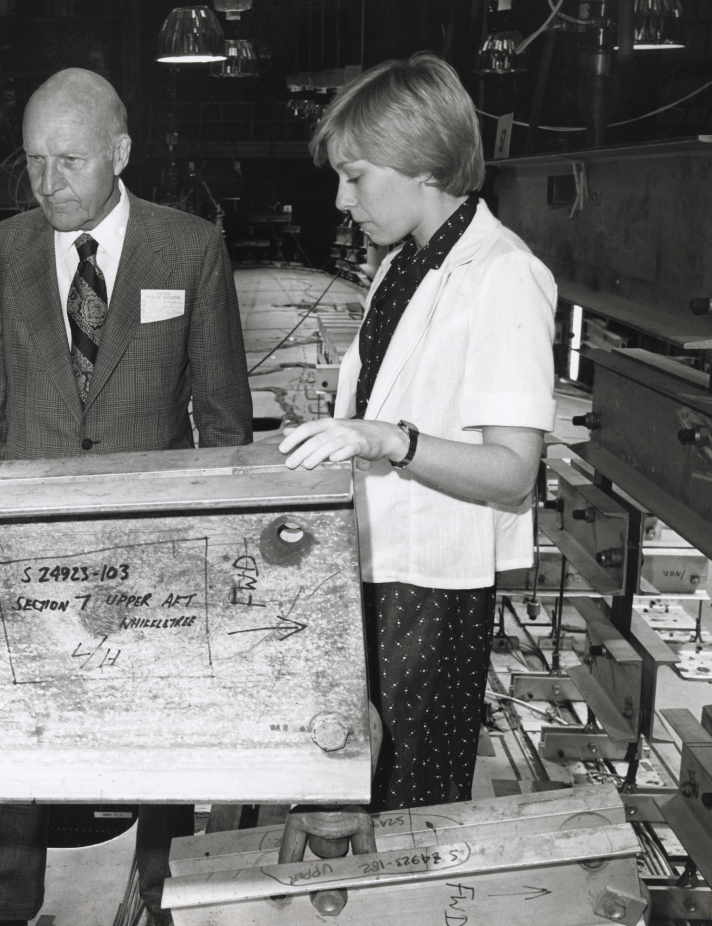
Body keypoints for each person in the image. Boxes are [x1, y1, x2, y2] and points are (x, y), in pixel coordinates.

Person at [0, 69, 253, 926]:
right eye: (32, 161)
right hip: (30, 539)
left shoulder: (189, 249)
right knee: (14, 716)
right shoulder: (0, 252)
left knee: (163, 725)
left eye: (68, 159)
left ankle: (167, 887)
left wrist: (219, 542)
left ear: (119, 153)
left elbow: (223, 417)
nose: (47, 181)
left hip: (157, 543)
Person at [279, 53, 556, 811]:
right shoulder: (406, 263)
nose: (342, 199)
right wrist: (340, 418)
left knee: (407, 811)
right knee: (347, 790)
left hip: (430, 592)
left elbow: (512, 471)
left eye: (357, 175)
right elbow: (401, 390)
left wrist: (388, 438)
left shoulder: (503, 274)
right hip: (375, 566)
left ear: (425, 164)